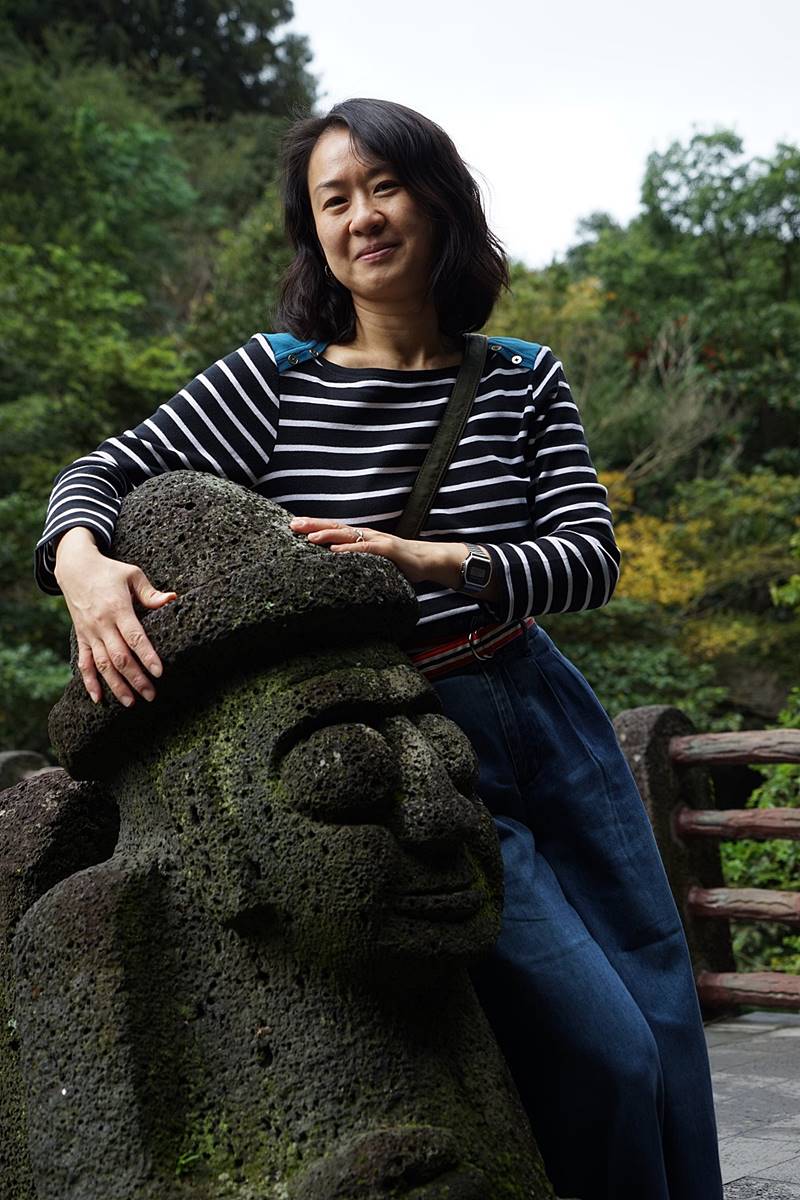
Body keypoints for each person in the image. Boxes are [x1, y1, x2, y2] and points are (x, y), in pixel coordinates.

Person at [36, 97, 723, 1200]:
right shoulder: (273, 377)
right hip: (423, 741)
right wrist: (79, 562)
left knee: (662, 1010)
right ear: (313, 234)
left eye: (385, 186)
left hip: (549, 710)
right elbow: (98, 474)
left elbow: (589, 560)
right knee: (606, 1048)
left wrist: (427, 558)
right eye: (334, 200)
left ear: (437, 199)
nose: (362, 216)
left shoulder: (523, 376)